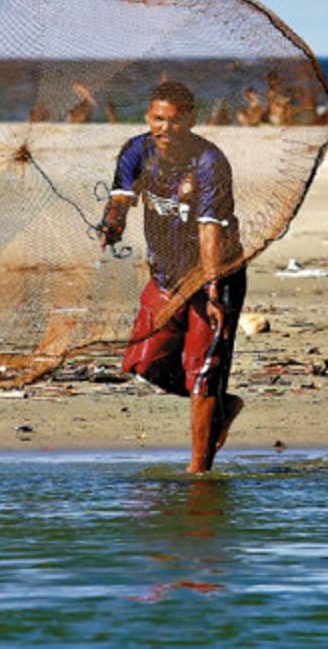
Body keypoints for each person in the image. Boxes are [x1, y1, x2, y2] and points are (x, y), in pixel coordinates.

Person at [99, 81, 246, 473]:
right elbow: (121, 198)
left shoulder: (209, 162)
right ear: (148, 118)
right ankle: (221, 405)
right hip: (165, 276)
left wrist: (213, 292)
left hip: (213, 277)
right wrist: (112, 223)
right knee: (143, 364)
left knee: (203, 372)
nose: (165, 129)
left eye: (175, 121)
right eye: (158, 119)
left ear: (191, 120)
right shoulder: (137, 150)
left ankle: (199, 475)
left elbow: (209, 231)